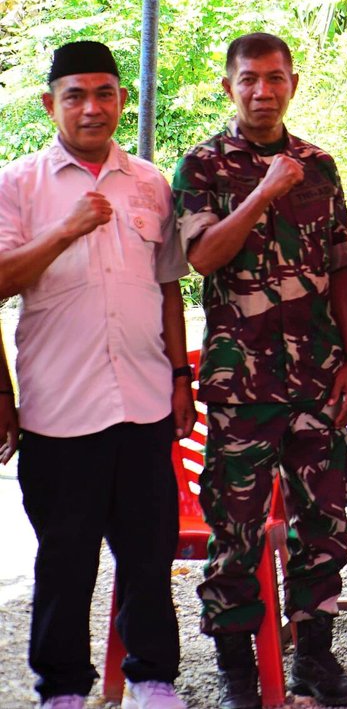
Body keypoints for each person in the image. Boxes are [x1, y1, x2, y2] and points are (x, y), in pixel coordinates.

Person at [0, 41, 193, 709]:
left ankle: (153, 677)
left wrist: (180, 376)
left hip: (144, 401)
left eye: (104, 93)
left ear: (121, 100)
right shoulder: (18, 183)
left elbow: (168, 287)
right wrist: (66, 230)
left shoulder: (150, 181)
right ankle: (61, 688)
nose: (92, 107)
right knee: (65, 557)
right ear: (49, 103)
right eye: (76, 95)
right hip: (59, 407)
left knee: (148, 554)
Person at [172, 33, 347, 709]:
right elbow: (203, 257)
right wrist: (264, 190)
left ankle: (314, 657)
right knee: (237, 530)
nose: (262, 91)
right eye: (249, 79)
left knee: (324, 524)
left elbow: (341, 267)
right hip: (242, 385)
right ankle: (236, 669)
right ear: (229, 87)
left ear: (293, 84)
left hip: (315, 377)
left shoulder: (319, 165)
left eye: (275, 78)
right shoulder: (202, 165)